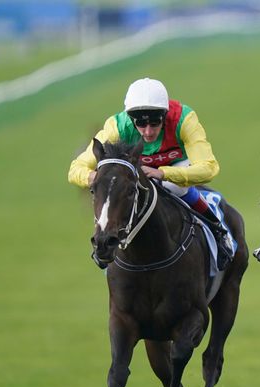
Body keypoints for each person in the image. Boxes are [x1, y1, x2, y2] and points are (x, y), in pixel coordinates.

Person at [67, 77, 233, 269]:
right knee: (117, 192)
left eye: (155, 123)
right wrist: (98, 179)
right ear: (131, 119)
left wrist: (163, 173)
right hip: (136, 169)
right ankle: (106, 240)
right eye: (140, 124)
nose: (147, 132)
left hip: (176, 164)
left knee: (175, 187)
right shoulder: (117, 126)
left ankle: (217, 229)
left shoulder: (184, 119)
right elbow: (75, 169)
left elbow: (209, 168)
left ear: (165, 115)